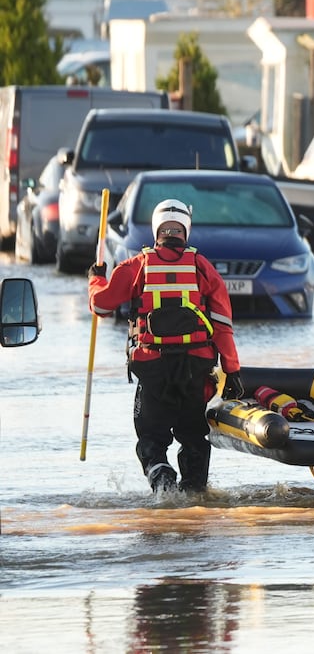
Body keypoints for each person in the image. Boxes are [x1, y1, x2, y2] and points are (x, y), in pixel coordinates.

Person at [88, 199, 242, 494]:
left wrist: (96, 279)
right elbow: (222, 325)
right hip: (196, 368)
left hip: (152, 366)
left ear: (156, 228)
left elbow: (100, 305)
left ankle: (162, 483)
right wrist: (232, 370)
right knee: (194, 436)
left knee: (151, 438)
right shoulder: (203, 267)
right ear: (186, 229)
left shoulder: (136, 266)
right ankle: (195, 497)